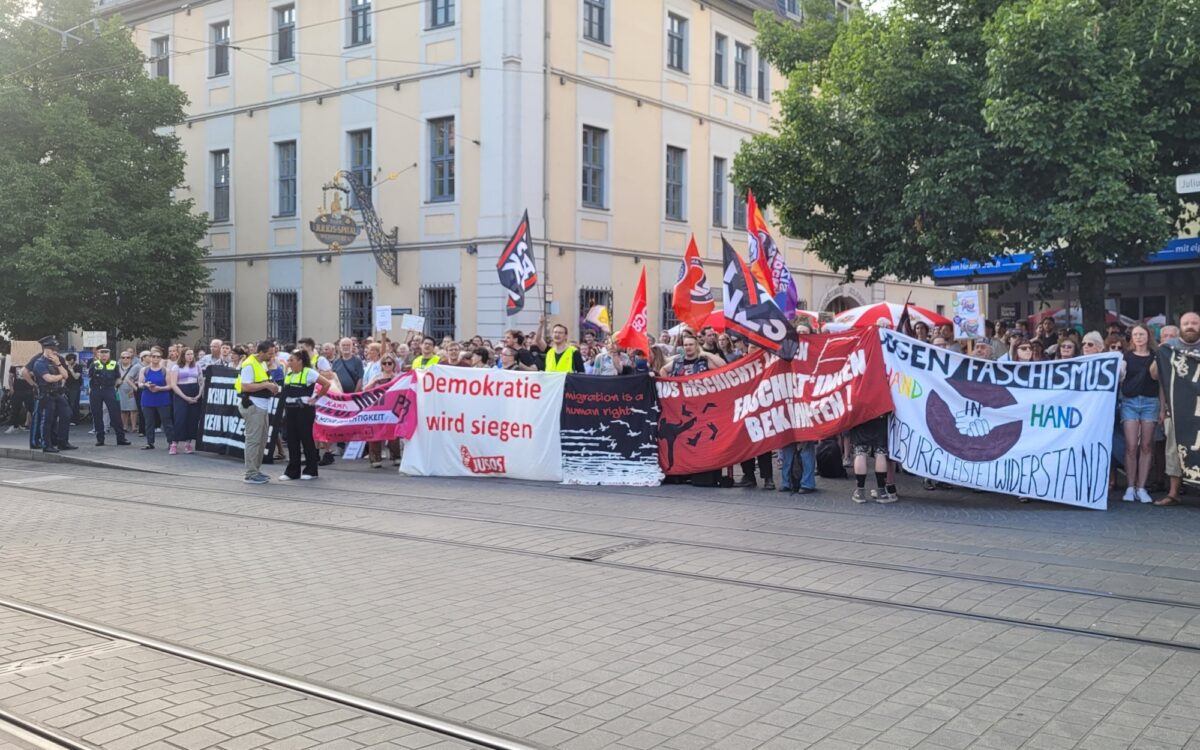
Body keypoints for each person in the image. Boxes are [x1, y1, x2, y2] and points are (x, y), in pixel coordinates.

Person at [1155, 311, 1200, 506]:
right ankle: (1173, 493)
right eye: (1186, 323)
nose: (1190, 326)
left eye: (1194, 323)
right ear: (1180, 326)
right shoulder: (1169, 348)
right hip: (1177, 410)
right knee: (1174, 449)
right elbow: (1156, 377)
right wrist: (1159, 355)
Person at [1118, 324, 1158, 503]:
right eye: (1135, 334)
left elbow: (1157, 378)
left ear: (1148, 336)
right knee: (1131, 445)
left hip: (1150, 401)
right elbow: (1120, 376)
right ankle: (1129, 486)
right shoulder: (1126, 356)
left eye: (1142, 334)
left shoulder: (1156, 356)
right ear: (1131, 338)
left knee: (1147, 446)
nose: (1139, 337)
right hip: (1130, 402)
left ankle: (1141, 487)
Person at [280, 349, 330, 481]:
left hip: (304, 411)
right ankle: (292, 471)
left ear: (300, 361)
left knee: (306, 439)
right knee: (292, 441)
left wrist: (316, 398)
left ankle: (311, 470)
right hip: (290, 410)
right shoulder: (289, 374)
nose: (289, 362)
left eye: (292, 360)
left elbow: (326, 384)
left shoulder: (309, 373)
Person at [237, 341, 280, 484]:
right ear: (261, 352)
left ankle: (256, 470)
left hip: (262, 406)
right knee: (253, 440)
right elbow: (245, 386)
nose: (272, 356)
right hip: (254, 406)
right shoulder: (249, 364)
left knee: (261, 441)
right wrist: (266, 385)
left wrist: (272, 385)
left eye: (273, 353)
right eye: (270, 353)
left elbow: (264, 379)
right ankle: (250, 473)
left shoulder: (261, 363)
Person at [30, 337, 75, 453]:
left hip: (58, 393)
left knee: (66, 415)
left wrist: (59, 365)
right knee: (47, 420)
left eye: (56, 349)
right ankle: (47, 445)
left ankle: (63, 442)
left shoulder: (56, 361)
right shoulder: (39, 363)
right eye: (52, 349)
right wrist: (61, 376)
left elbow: (67, 375)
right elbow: (49, 378)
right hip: (47, 394)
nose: (55, 351)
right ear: (46, 349)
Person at [365, 355, 403, 469]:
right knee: (376, 433)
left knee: (393, 433)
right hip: (378, 409)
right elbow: (365, 390)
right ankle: (375, 458)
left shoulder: (398, 378)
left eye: (389, 363)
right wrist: (374, 382)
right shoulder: (376, 377)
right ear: (381, 365)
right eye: (384, 363)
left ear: (394, 365)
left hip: (393, 409)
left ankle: (396, 456)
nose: (387, 365)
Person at [88, 347, 129, 446]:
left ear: (109, 354)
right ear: (98, 354)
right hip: (96, 390)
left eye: (106, 353)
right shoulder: (94, 364)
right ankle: (100, 439)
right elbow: (90, 377)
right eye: (102, 353)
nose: (104, 355)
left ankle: (121, 438)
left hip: (109, 389)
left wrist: (115, 387)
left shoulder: (114, 364)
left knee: (115, 414)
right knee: (97, 415)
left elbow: (117, 377)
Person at [137, 348, 174, 450]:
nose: (156, 358)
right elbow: (139, 384)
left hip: (162, 398)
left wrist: (159, 388)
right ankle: (150, 442)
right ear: (150, 357)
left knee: (166, 421)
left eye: (158, 357)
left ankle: (171, 442)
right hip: (148, 398)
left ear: (161, 358)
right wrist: (146, 385)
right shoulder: (144, 370)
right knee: (149, 422)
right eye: (153, 356)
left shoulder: (165, 370)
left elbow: (170, 386)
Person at [169, 347, 204, 455]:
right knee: (180, 418)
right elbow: (173, 384)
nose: (190, 356)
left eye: (192, 354)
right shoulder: (176, 367)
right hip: (181, 392)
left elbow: (201, 381)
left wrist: (199, 395)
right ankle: (174, 444)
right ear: (183, 356)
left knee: (193, 419)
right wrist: (184, 397)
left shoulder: (197, 366)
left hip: (194, 391)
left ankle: (188, 444)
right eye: (188, 354)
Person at [63, 353, 84, 424]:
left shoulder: (78, 367)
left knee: (74, 403)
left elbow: (76, 377)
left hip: (75, 387)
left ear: (72, 360)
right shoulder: (66, 366)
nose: (68, 362)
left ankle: (75, 420)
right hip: (67, 386)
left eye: (69, 360)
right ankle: (69, 419)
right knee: (67, 403)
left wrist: (71, 370)